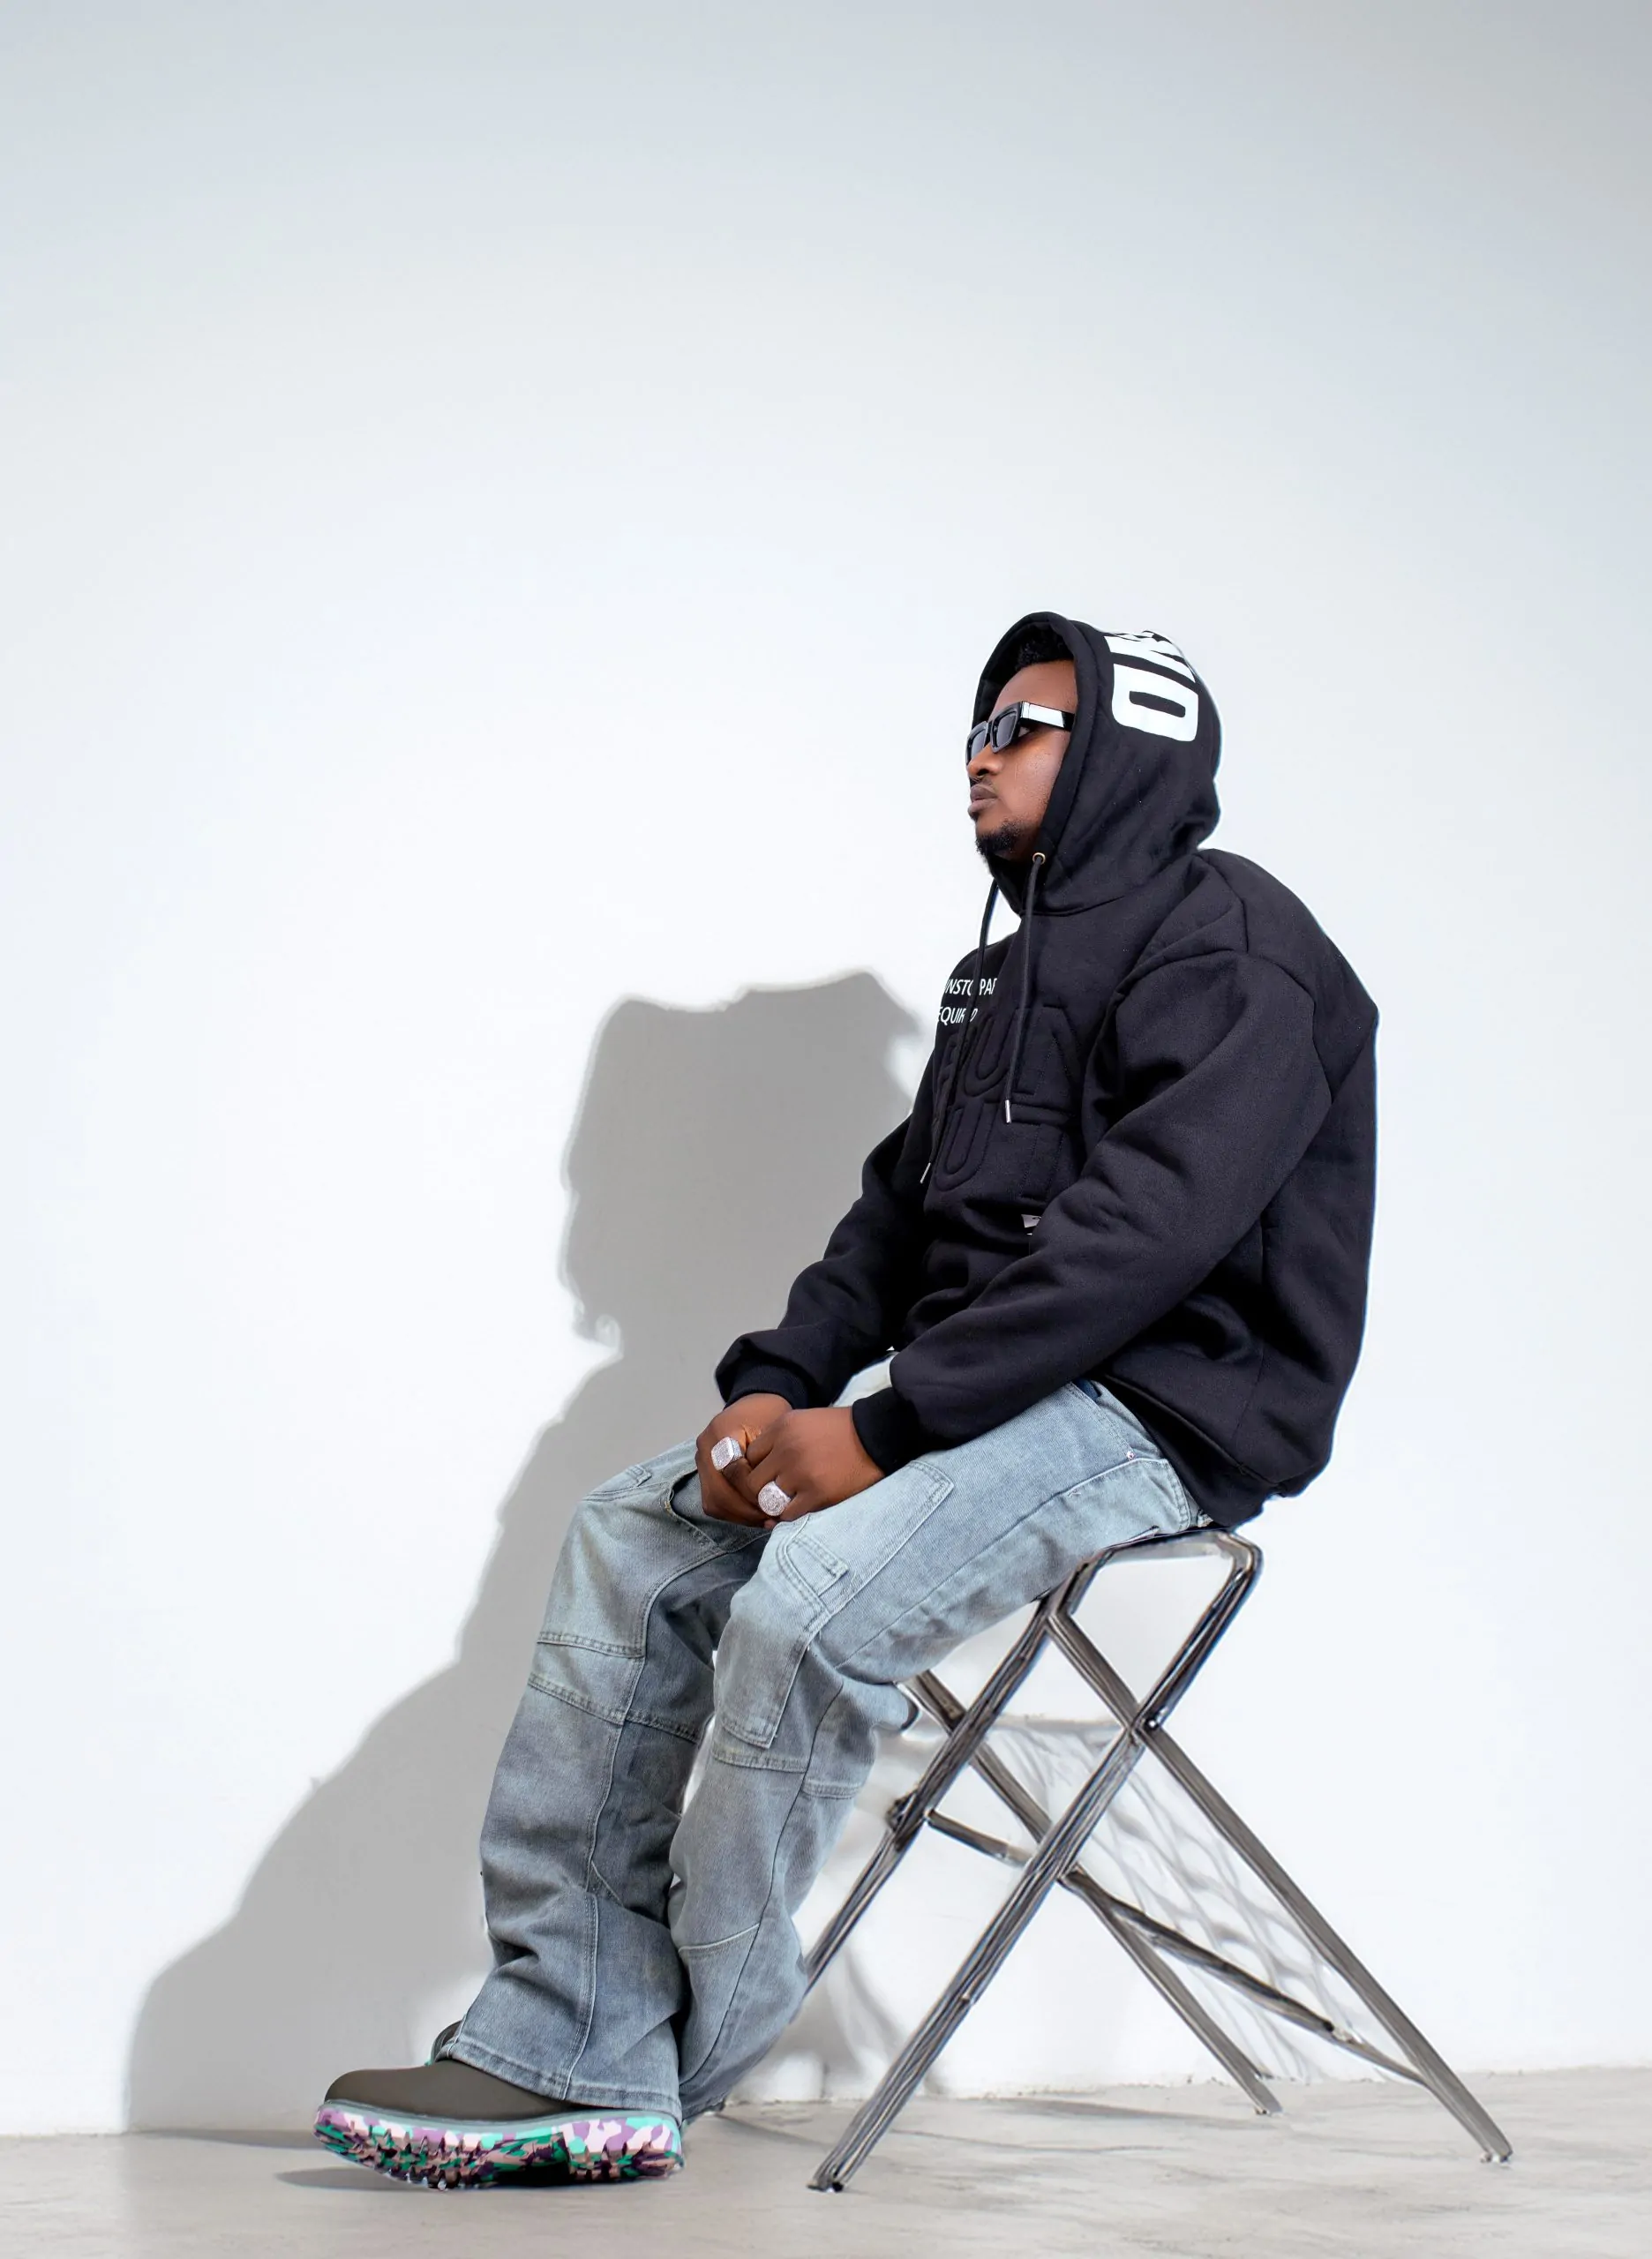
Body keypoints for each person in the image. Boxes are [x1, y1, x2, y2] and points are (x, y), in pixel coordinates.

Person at [316, 611, 1378, 2189]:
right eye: (975, 726)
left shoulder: (1242, 951)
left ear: (1126, 747)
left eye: (1022, 728)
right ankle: (566, 2025)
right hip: (986, 1387)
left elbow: (1138, 1245)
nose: (979, 755)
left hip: (1163, 1408)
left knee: (809, 1607)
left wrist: (880, 1428)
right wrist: (781, 1384)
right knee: (626, 1538)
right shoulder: (998, 978)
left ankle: (653, 2071)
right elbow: (894, 1220)